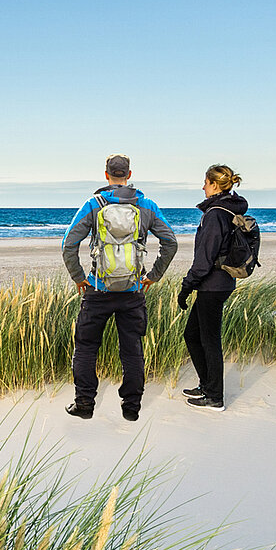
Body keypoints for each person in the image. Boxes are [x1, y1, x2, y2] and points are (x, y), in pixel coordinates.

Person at [61, 155, 179, 421]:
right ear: (129, 174)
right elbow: (170, 243)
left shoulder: (94, 204)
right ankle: (131, 407)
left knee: (86, 347)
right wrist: (154, 275)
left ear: (106, 175)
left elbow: (68, 244)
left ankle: (84, 403)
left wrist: (79, 277)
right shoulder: (146, 205)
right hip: (134, 291)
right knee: (132, 350)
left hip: (98, 290)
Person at [177, 164, 248, 411]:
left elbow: (204, 258)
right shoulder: (228, 209)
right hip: (220, 283)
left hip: (213, 285)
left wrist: (187, 286)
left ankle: (215, 397)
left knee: (209, 340)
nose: (203, 186)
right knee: (192, 335)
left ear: (215, 185)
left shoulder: (215, 214)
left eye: (205, 183)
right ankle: (207, 385)